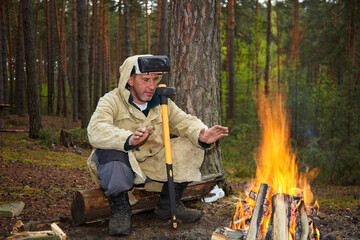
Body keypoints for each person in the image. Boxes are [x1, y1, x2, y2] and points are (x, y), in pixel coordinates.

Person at [87, 55, 228, 236]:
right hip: (123, 167)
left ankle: (169, 203)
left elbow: (184, 121)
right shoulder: (111, 101)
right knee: (109, 151)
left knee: (192, 144)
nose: (152, 86)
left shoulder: (162, 102)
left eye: (155, 79)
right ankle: (120, 210)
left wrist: (202, 134)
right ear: (130, 80)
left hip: (153, 166)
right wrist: (129, 139)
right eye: (145, 80)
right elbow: (96, 129)